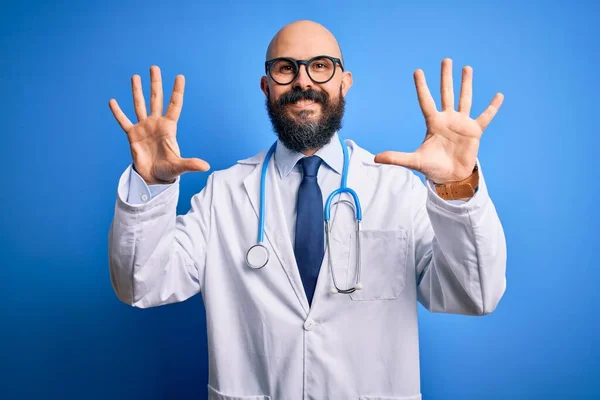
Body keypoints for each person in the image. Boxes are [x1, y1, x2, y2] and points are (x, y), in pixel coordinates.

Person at [107, 19, 506, 400]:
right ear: (266, 87)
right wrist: (151, 184)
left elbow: (475, 294)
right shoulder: (222, 194)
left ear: (344, 83)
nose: (303, 81)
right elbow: (141, 284)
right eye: (286, 68)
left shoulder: (396, 189)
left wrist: (455, 185)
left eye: (320, 66)